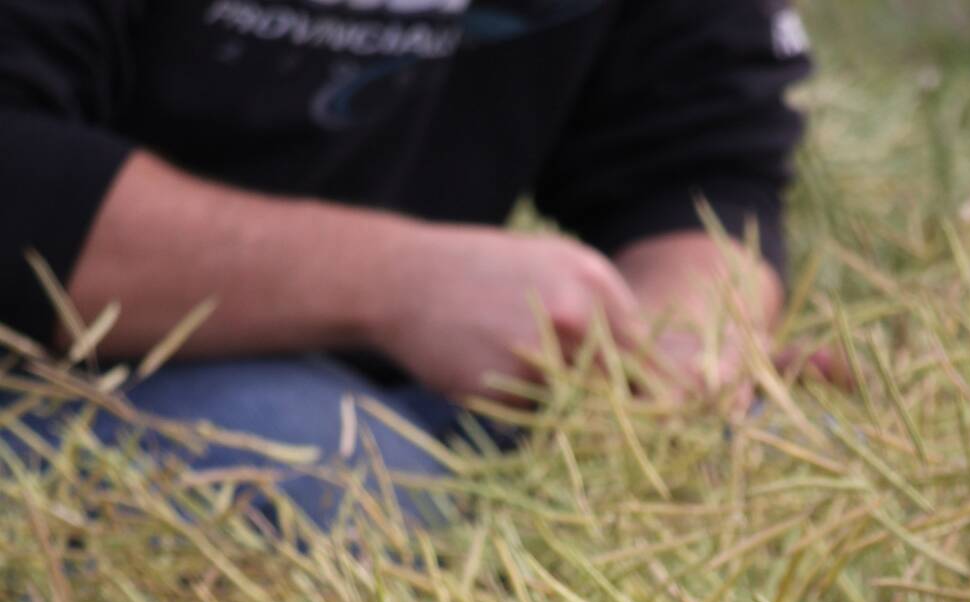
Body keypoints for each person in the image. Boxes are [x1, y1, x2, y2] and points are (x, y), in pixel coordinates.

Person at [0, 1, 814, 523]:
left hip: (416, 387)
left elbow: (704, 168)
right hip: (62, 368)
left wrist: (682, 344)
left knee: (784, 472)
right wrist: (394, 283)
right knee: (330, 479)